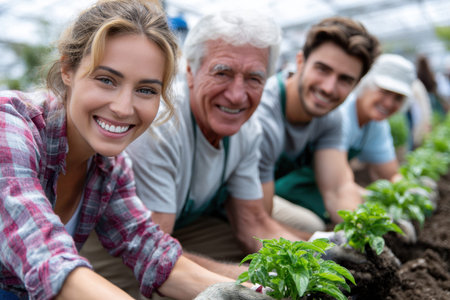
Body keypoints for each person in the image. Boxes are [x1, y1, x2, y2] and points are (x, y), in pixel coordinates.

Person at [0, 1, 243, 299]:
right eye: (106, 80)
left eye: (146, 90)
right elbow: (46, 257)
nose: (123, 108)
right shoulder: (9, 126)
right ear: (67, 69)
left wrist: (244, 292)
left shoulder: (109, 167)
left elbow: (151, 251)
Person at [124, 9, 311, 282]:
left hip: (177, 229)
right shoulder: (161, 124)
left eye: (254, 79)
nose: (237, 96)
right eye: (222, 73)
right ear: (190, 71)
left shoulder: (248, 128)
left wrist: (321, 260)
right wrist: (257, 283)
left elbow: (252, 222)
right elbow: (153, 250)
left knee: (274, 246)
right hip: (123, 245)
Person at [256, 17, 381, 231]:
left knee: (312, 224)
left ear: (356, 85)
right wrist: (322, 247)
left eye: (345, 79)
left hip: (255, 203)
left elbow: (337, 189)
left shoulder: (330, 118)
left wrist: (361, 231)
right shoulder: (263, 113)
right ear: (300, 62)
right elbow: (257, 219)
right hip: (218, 207)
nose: (329, 88)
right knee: (310, 230)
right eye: (322, 69)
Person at [338, 53, 416, 183]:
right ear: (365, 83)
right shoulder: (341, 115)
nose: (388, 104)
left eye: (398, 98)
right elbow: (337, 184)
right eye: (384, 91)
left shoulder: (376, 126)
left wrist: (410, 188)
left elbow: (389, 173)